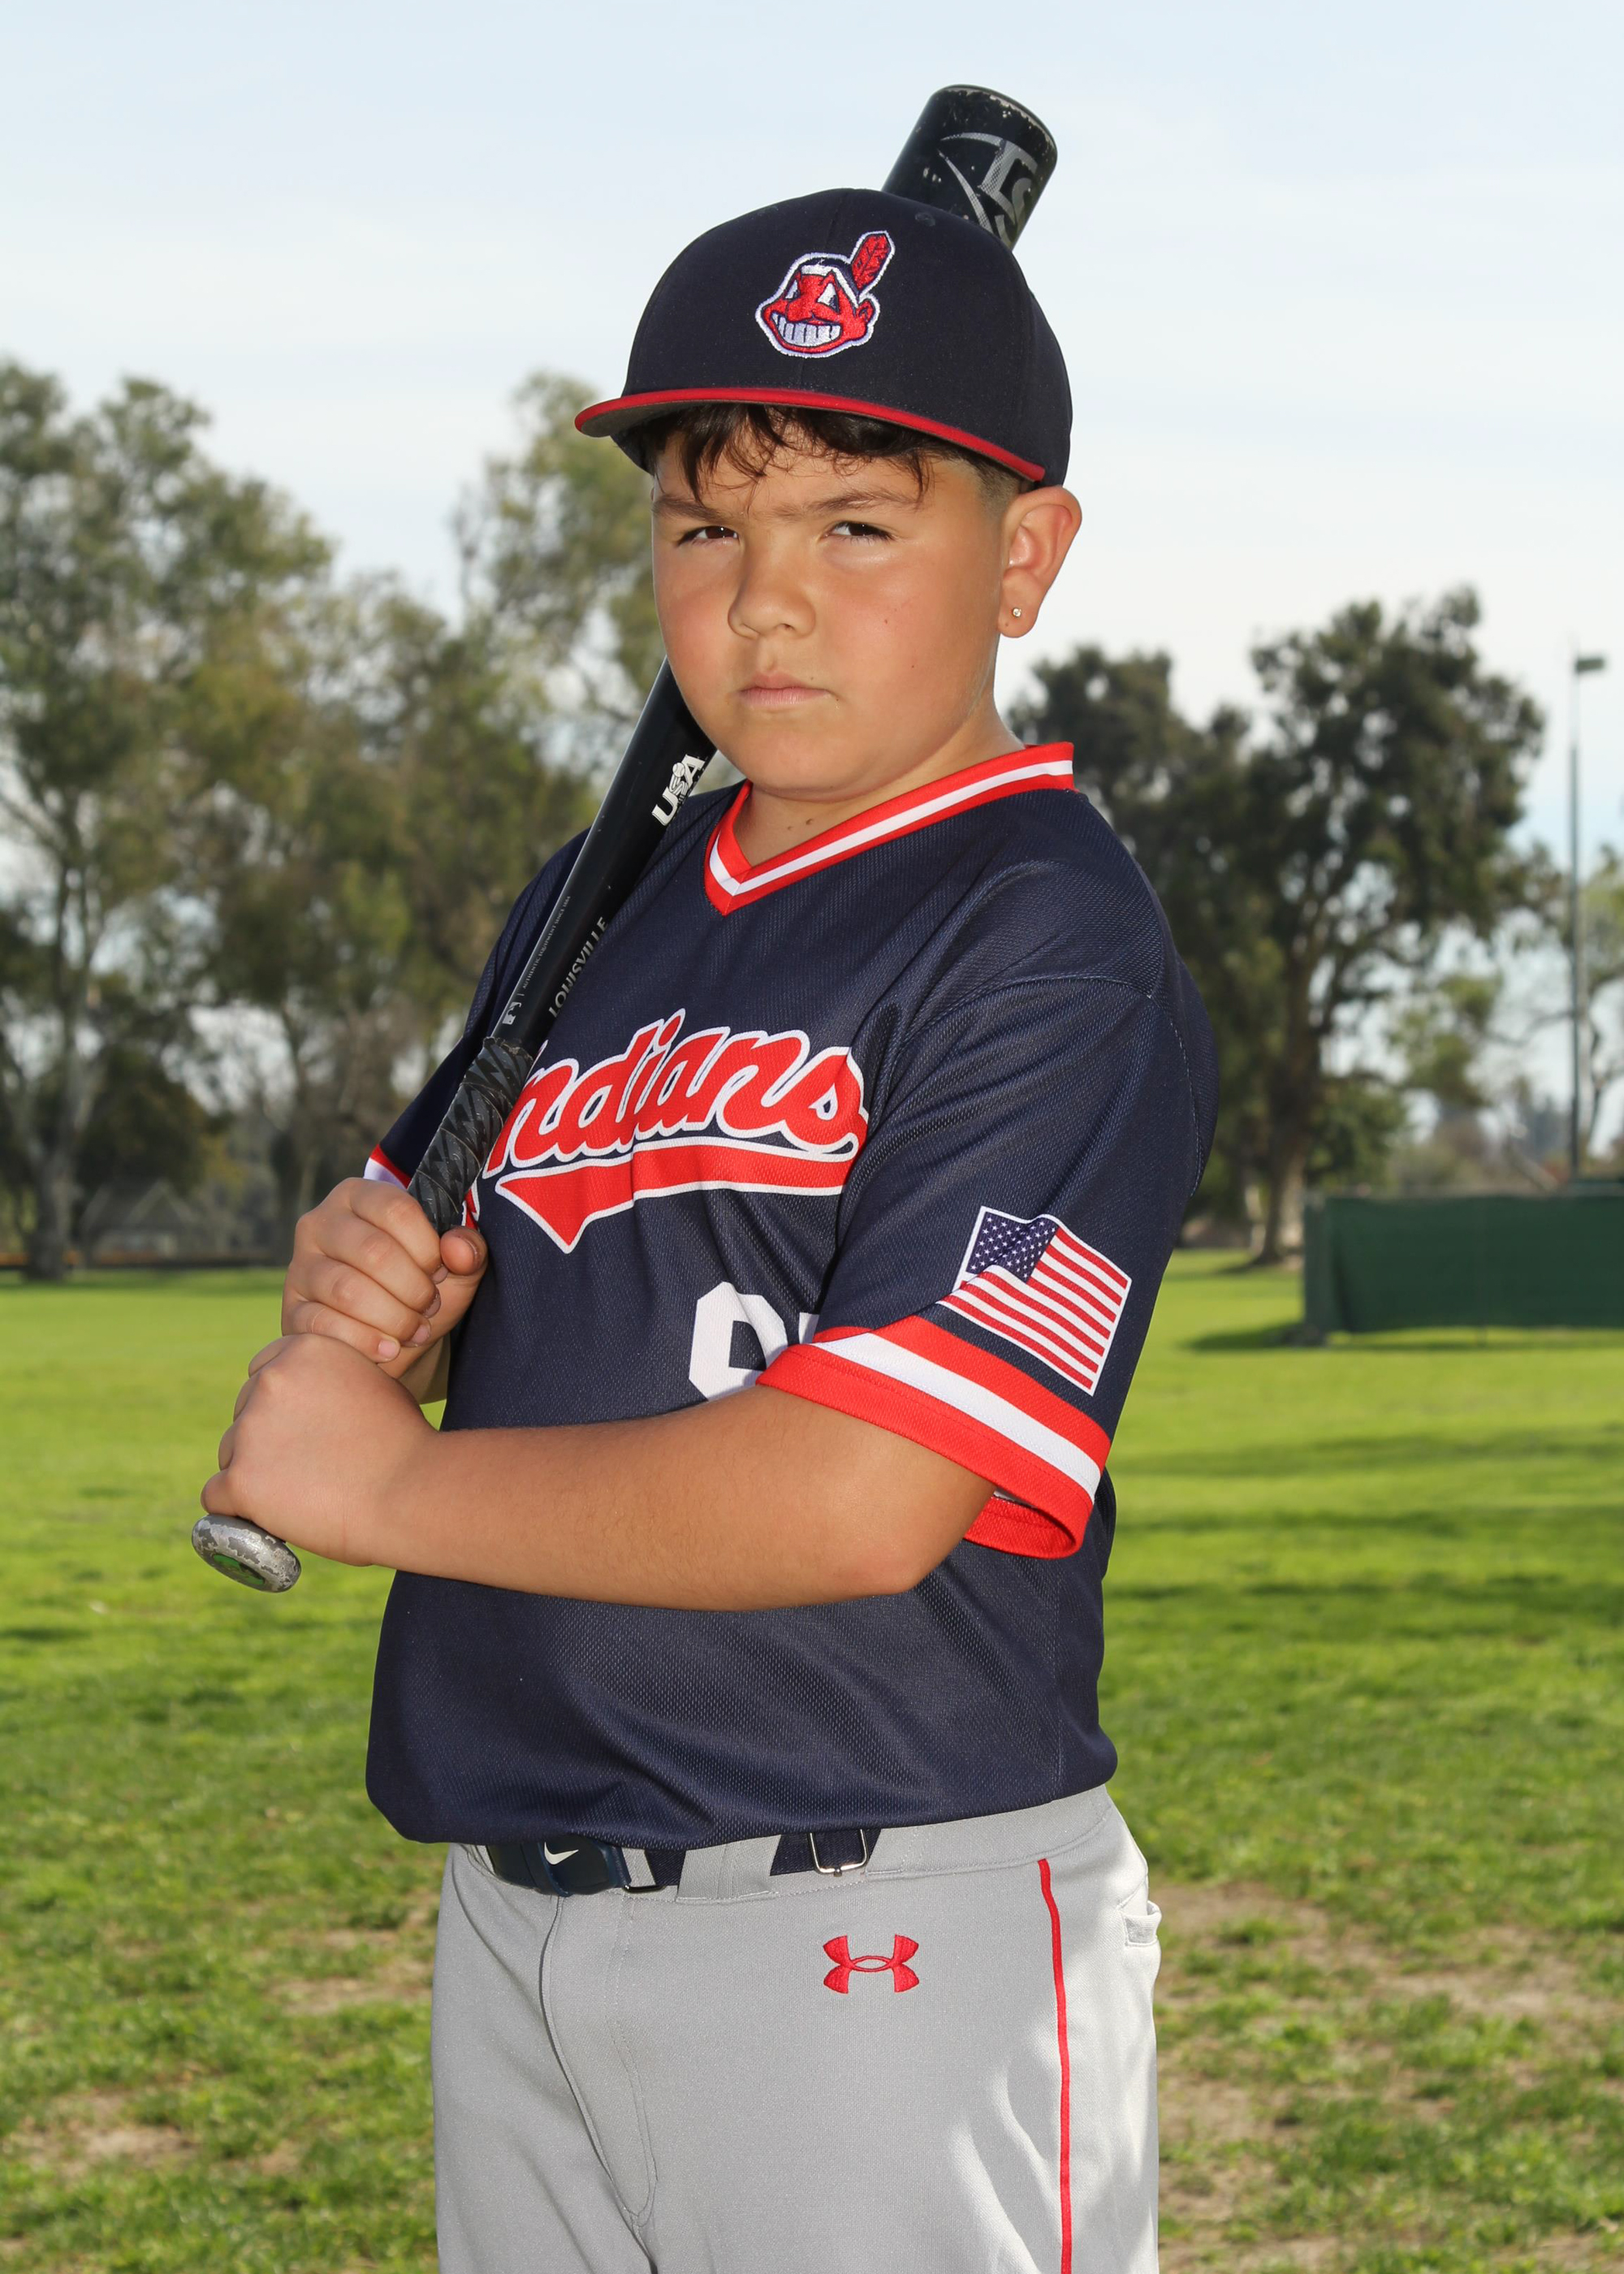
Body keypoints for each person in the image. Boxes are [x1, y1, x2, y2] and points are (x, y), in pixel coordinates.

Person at [201, 187, 1217, 2273]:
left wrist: (388, 1484)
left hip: (874, 1925)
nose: (765, 603)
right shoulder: (604, 899)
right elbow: (444, 1236)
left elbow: (864, 1487)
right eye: (703, 528)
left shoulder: (1044, 936)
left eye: (856, 525)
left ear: (1024, 555)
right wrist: (379, 1293)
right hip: (518, 1898)